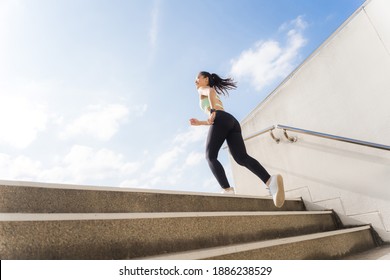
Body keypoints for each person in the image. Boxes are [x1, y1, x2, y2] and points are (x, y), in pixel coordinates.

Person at [189, 71, 285, 208]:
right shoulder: (208, 94)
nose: (195, 81)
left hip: (221, 118)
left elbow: (211, 92)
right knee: (241, 158)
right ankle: (270, 181)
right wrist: (201, 122)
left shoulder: (202, 90)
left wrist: (212, 112)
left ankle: (227, 189)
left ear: (205, 79)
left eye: (197, 78)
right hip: (231, 121)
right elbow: (215, 118)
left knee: (210, 156)